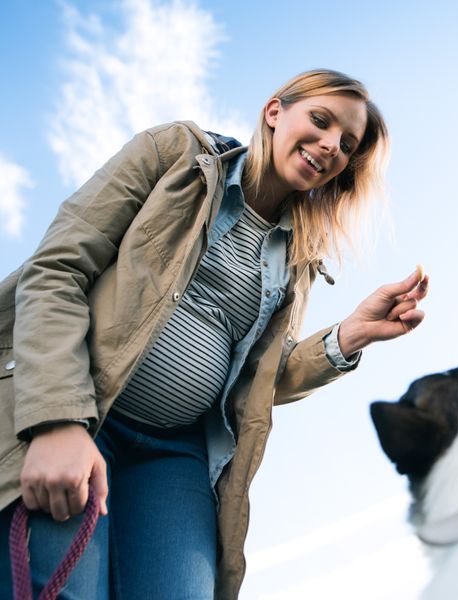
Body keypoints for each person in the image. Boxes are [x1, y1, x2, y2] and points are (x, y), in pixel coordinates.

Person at [0, 69, 429, 599]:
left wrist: (347, 337)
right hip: (88, 415)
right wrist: (58, 421)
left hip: (174, 459)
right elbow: (56, 271)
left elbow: (256, 383)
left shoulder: (296, 259)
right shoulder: (173, 155)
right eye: (320, 121)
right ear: (275, 112)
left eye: (346, 145)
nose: (330, 145)